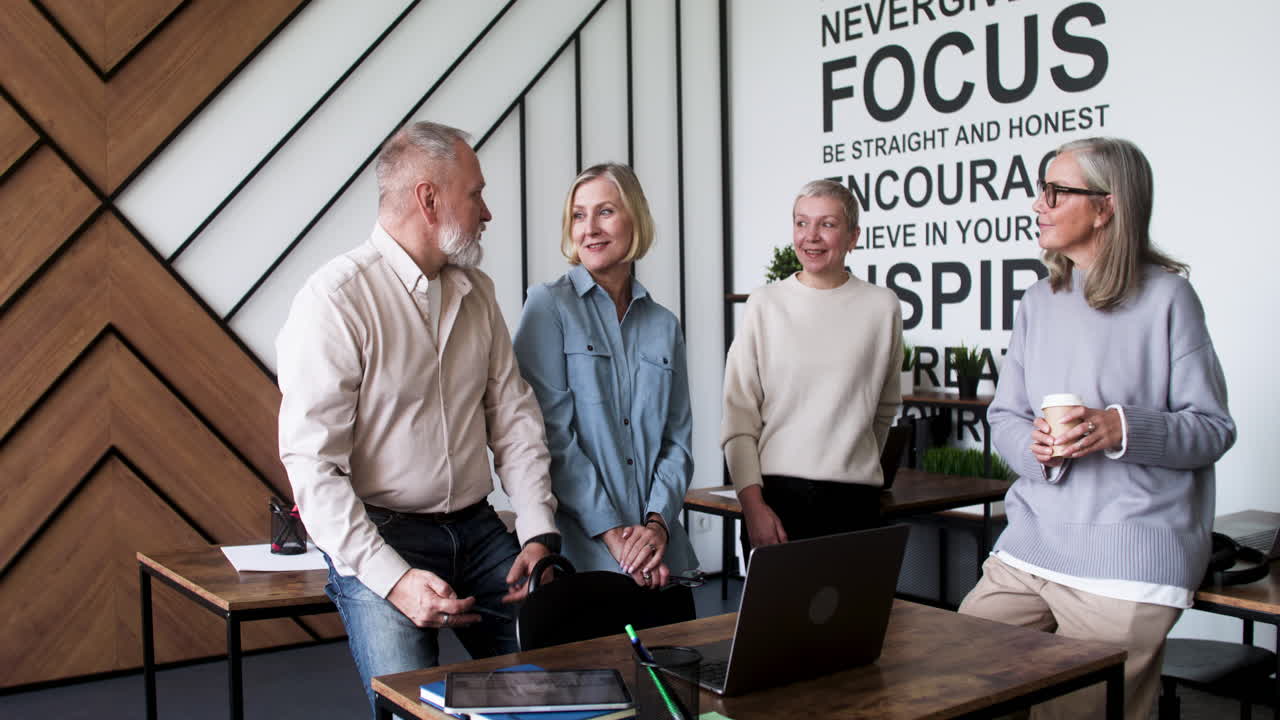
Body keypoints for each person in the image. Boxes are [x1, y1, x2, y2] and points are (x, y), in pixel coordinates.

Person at [276, 121, 560, 716]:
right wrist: (395, 580)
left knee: (557, 688)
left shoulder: (478, 293)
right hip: (380, 535)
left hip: (479, 529)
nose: (487, 212)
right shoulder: (335, 300)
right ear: (429, 199)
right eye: (476, 194)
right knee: (411, 709)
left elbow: (514, 419)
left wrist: (537, 532)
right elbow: (313, 469)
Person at [957, 137, 1235, 720]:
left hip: (1128, 561)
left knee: (1074, 713)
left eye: (1056, 192)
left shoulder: (1169, 297)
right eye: (1042, 190)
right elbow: (1005, 416)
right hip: (1032, 544)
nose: (1039, 204)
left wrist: (1119, 428)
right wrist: (1035, 449)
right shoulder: (1038, 300)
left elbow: (1212, 429)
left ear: (1106, 207)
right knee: (954, 682)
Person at [512, 163, 697, 589]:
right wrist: (615, 536)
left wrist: (656, 527)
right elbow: (550, 436)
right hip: (583, 559)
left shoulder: (664, 324)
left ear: (636, 219)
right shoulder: (548, 306)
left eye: (606, 212)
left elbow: (677, 440)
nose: (590, 228)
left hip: (662, 557)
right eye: (579, 215)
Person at [721, 179, 902, 556]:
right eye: (801, 223)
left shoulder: (882, 307)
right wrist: (752, 506)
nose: (811, 236)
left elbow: (884, 409)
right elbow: (739, 417)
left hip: (856, 504)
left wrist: (851, 461)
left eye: (827, 224)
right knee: (775, 600)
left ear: (853, 236)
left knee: (856, 599)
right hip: (776, 502)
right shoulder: (764, 305)